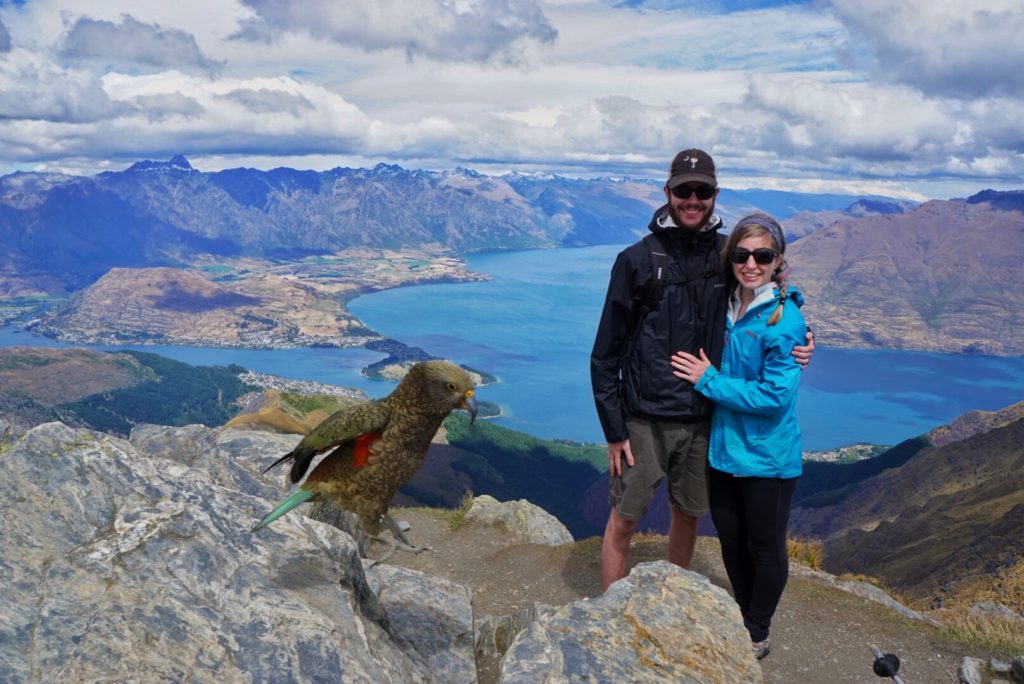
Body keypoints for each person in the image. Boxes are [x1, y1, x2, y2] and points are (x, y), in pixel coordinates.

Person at [590, 148, 814, 591]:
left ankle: (675, 601)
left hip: (702, 417)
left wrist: (803, 335)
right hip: (644, 419)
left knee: (688, 515)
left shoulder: (724, 255)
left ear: (714, 194)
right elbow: (605, 352)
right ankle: (609, 611)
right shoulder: (635, 260)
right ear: (668, 192)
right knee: (624, 518)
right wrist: (614, 429)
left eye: (703, 191)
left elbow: (768, 289)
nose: (692, 199)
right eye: (683, 190)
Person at [670, 212, 805, 660]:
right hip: (726, 450)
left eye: (762, 256)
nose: (751, 264)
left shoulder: (784, 321)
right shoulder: (729, 303)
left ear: (777, 261)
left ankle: (757, 630)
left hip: (767, 456)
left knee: (765, 548)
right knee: (730, 539)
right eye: (743, 255)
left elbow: (772, 396)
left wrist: (707, 380)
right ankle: (743, 614)